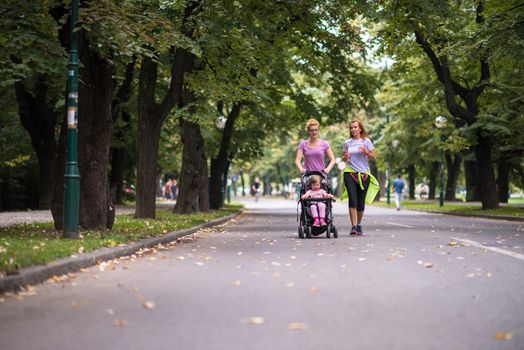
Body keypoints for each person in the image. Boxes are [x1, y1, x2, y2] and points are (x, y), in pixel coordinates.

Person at [342, 119, 379, 236]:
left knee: (360, 202)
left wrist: (366, 152)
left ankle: (359, 225)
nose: (353, 129)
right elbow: (344, 157)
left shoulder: (366, 141)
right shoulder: (347, 142)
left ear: (360, 128)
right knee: (352, 199)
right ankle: (353, 226)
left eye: (355, 127)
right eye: (351, 127)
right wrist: (345, 157)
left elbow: (373, 157)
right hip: (350, 173)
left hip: (364, 174)